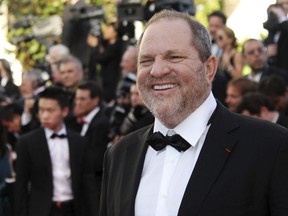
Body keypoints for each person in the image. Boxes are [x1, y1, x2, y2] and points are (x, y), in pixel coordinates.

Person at [100, 10, 288, 216]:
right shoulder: (118, 155)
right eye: (146, 61)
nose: (157, 70)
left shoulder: (271, 146)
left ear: (209, 68)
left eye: (174, 57)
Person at [14, 86, 97, 216]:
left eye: (50, 110)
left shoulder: (80, 142)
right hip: (41, 210)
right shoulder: (27, 142)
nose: (45, 115)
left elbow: (88, 183)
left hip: (74, 209)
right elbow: (21, 185)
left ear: (64, 111)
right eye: (41, 110)